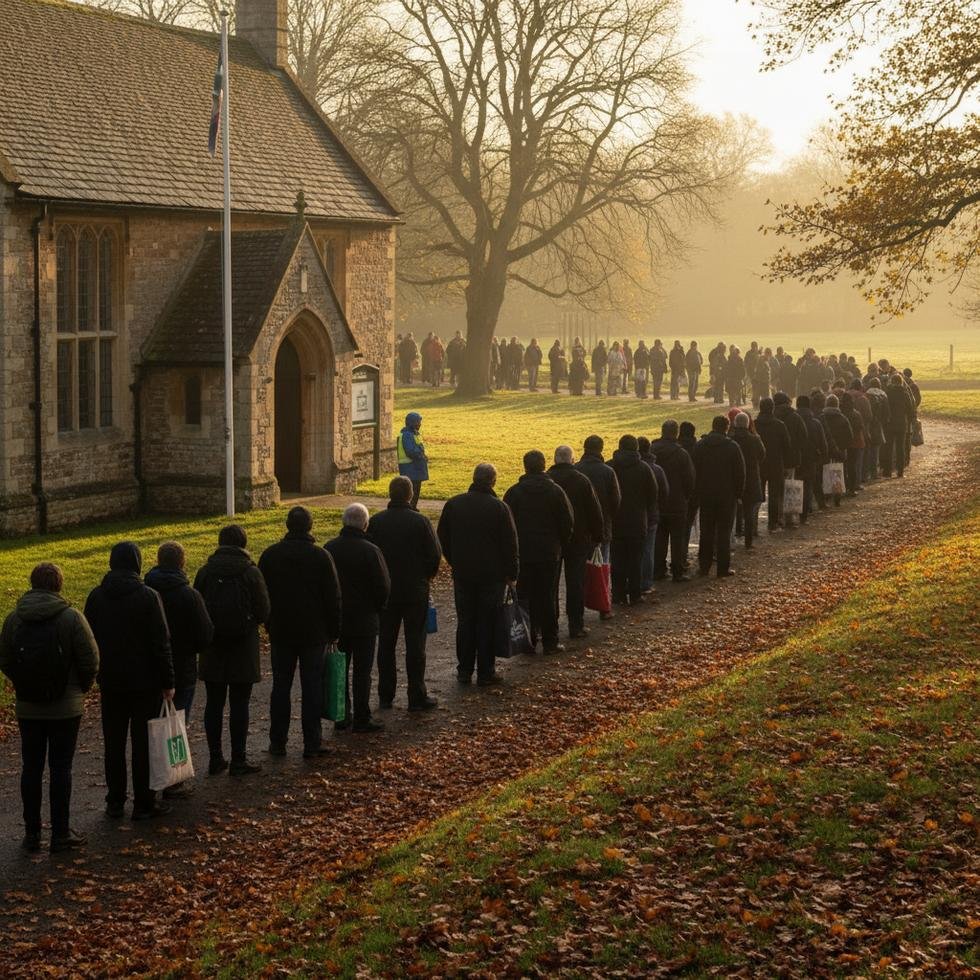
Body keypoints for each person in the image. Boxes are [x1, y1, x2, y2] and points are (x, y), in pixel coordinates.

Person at [1, 564, 99, 852]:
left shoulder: (13, 619)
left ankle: (32, 834)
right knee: (60, 768)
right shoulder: (71, 617)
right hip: (65, 708)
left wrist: (22, 682)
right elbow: (90, 659)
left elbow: (5, 659)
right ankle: (60, 832)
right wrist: (80, 688)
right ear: (58, 584)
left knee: (30, 767)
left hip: (28, 706)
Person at [85, 542, 174, 819]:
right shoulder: (148, 597)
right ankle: (144, 802)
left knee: (113, 742)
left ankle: (115, 800)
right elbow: (161, 642)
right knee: (142, 742)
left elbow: (90, 640)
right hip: (144, 680)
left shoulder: (97, 597)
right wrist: (168, 680)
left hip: (111, 680)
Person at [259, 507, 342, 759]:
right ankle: (311, 741)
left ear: (287, 525)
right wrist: (334, 631)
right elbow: (333, 597)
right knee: (312, 686)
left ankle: (278, 741)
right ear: (310, 526)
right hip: (313, 631)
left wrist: (268, 623)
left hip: (282, 629)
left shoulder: (271, 555)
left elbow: (263, 595)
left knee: (281, 686)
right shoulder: (321, 556)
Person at [195, 526, 271, 777]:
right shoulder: (250, 572)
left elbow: (198, 608)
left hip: (213, 645)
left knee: (214, 704)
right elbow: (263, 609)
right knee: (240, 703)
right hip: (243, 645)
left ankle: (215, 757)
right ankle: (239, 758)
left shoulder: (205, 572)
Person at [437, 463, 519, 686]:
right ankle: (485, 671)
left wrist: (454, 560)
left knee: (466, 621)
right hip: (491, 576)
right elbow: (510, 545)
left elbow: (443, 537)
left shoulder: (454, 504)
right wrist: (511, 573)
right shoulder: (499, 508)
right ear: (492, 482)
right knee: (487, 622)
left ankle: (464, 670)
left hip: (464, 573)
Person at [144, 542, 213, 797]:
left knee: (152, 724)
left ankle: (151, 780)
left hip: (150, 667)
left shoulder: (146, 590)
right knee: (177, 723)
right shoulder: (189, 595)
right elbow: (205, 634)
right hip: (182, 666)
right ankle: (172, 780)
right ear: (182, 563)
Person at [368, 477, 442, 711]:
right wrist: (425, 577)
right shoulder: (420, 522)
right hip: (414, 591)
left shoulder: (377, 522)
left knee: (386, 644)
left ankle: (385, 694)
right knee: (415, 644)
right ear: (410, 495)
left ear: (390, 494)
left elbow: (371, 557)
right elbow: (434, 555)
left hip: (386, 592)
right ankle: (416, 694)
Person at [325, 505, 391, 731]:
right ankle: (362, 716)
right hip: (364, 619)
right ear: (365, 524)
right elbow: (383, 586)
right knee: (363, 671)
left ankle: (342, 714)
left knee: (340, 667)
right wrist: (377, 609)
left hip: (338, 619)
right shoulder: (371, 551)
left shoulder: (329, 549)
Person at [504, 450, 574, 653]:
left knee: (525, 596)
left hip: (523, 552)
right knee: (548, 596)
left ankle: (529, 637)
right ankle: (550, 641)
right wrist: (560, 544)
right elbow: (567, 522)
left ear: (525, 466)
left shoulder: (514, 492)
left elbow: (507, 526)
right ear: (544, 465)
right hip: (548, 552)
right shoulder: (555, 491)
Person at [548, 446, 603, 639]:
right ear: (572, 460)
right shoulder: (582, 481)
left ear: (555, 460)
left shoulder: (548, 480)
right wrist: (598, 536)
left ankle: (549, 625)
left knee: (550, 585)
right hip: (579, 539)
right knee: (575, 583)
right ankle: (575, 624)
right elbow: (594, 511)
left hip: (552, 540)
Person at [692, 416, 745, 577]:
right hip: (726, 496)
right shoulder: (733, 447)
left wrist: (697, 491)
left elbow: (694, 470)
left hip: (706, 494)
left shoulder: (701, 446)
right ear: (727, 428)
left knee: (706, 531)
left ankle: (704, 566)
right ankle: (723, 568)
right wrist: (738, 494)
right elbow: (740, 473)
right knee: (724, 532)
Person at [609, 435, 658, 606]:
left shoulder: (611, 467)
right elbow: (653, 495)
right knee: (636, 559)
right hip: (638, 520)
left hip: (616, 520)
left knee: (617, 559)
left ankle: (618, 594)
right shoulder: (644, 468)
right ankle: (635, 594)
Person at [652, 420, 696, 582]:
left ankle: (658, 569)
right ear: (676, 433)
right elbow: (689, 480)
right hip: (677, 501)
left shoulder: (652, 451)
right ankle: (678, 570)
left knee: (659, 537)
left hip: (658, 502)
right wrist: (686, 496)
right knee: (678, 538)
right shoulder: (681, 454)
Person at [575, 434, 622, 576]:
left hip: (579, 528)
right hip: (602, 526)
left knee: (579, 569)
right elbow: (616, 500)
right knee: (601, 568)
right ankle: (599, 597)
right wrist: (608, 516)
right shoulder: (608, 471)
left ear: (585, 448)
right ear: (601, 449)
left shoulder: (576, 470)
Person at [754, 397, 792, 531]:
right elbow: (787, 446)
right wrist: (787, 465)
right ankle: (773, 523)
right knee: (775, 494)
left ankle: (753, 525)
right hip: (776, 464)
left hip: (759, 464)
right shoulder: (779, 425)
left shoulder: (754, 425)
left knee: (757, 495)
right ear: (772, 408)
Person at [728, 413, 766, 549]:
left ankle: (734, 535)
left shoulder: (730, 439)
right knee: (749, 510)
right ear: (748, 424)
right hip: (751, 477)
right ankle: (748, 541)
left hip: (733, 478)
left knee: (733, 509)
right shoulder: (754, 439)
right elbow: (762, 455)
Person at [637, 437, 669, 593]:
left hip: (627, 516)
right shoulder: (656, 469)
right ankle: (645, 583)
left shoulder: (616, 467)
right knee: (648, 550)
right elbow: (664, 493)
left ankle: (630, 583)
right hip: (650, 515)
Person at [772, 392, 808, 527]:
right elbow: (803, 437)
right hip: (791, 458)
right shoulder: (795, 417)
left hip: (774, 459)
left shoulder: (773, 416)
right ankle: (789, 518)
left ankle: (776, 518)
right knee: (789, 486)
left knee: (776, 489)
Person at [796, 394, 829, 520]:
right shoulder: (815, 422)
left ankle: (792, 510)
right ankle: (805, 513)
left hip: (796, 458)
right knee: (808, 484)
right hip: (811, 458)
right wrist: (824, 457)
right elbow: (823, 442)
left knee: (796, 483)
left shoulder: (792, 421)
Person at [820, 394, 853, 505]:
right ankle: (837, 496)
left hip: (826, 449)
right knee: (837, 471)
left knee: (823, 471)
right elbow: (850, 436)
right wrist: (843, 446)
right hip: (840, 449)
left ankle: (825, 496)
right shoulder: (843, 418)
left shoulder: (821, 417)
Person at [397, 412, 429, 509]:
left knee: (415, 491)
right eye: (418, 422)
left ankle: (413, 508)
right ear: (411, 423)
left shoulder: (414, 434)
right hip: (410, 469)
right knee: (411, 491)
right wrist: (421, 454)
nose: (419, 424)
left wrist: (422, 454)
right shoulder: (407, 435)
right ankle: (410, 509)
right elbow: (411, 451)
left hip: (415, 469)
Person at [884, 374, 913, 477]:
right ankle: (900, 471)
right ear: (901, 382)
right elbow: (910, 409)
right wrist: (909, 420)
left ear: (892, 381)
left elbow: (885, 407)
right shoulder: (905, 393)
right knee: (900, 448)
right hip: (901, 423)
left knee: (889, 447)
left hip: (890, 423)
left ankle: (887, 471)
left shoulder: (888, 393)